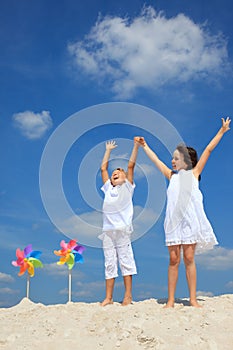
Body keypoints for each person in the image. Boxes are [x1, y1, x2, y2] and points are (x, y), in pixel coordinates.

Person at [136, 117, 231, 308]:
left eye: (176, 158)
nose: (172, 161)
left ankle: (193, 299)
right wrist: (144, 146)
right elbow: (155, 161)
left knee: (188, 258)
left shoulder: (194, 174)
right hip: (173, 223)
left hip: (190, 223)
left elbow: (208, 150)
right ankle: (170, 300)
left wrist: (221, 131)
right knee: (173, 259)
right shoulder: (171, 176)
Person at [99, 139, 139, 306]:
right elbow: (103, 168)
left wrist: (136, 146)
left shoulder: (128, 187)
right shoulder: (109, 188)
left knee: (125, 260)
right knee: (109, 262)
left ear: (125, 177)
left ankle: (127, 296)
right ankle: (108, 297)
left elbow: (130, 166)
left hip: (122, 230)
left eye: (119, 172)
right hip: (108, 231)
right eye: (114, 173)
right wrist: (107, 150)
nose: (116, 173)